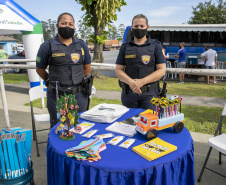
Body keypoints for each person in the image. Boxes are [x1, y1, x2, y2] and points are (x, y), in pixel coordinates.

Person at [36, 12, 91, 128]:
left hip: (79, 96)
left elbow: (87, 68)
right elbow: (40, 69)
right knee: (58, 129)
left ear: (74, 26)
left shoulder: (81, 45)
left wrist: (76, 81)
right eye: (63, 23)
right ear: (57, 26)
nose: (67, 26)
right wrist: (48, 79)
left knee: (79, 126)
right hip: (56, 96)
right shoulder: (47, 46)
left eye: (70, 24)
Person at [115, 14, 166, 110]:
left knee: (149, 122)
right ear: (132, 27)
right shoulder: (125, 47)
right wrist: (132, 83)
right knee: (128, 123)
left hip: (150, 94)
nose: (139, 28)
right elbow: (118, 70)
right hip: (129, 93)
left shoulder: (156, 46)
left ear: (147, 27)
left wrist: (142, 82)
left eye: (142, 26)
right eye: (136, 26)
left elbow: (162, 70)